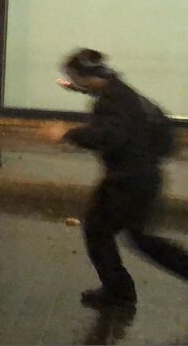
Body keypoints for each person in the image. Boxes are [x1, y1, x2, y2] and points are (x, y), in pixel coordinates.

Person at [47, 48, 185, 312]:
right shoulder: (120, 91)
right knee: (140, 238)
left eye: (74, 78)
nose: (74, 82)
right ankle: (118, 291)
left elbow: (110, 136)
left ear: (84, 75)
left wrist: (66, 133)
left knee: (99, 231)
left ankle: (119, 293)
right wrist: (75, 90)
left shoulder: (113, 102)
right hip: (143, 175)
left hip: (128, 181)